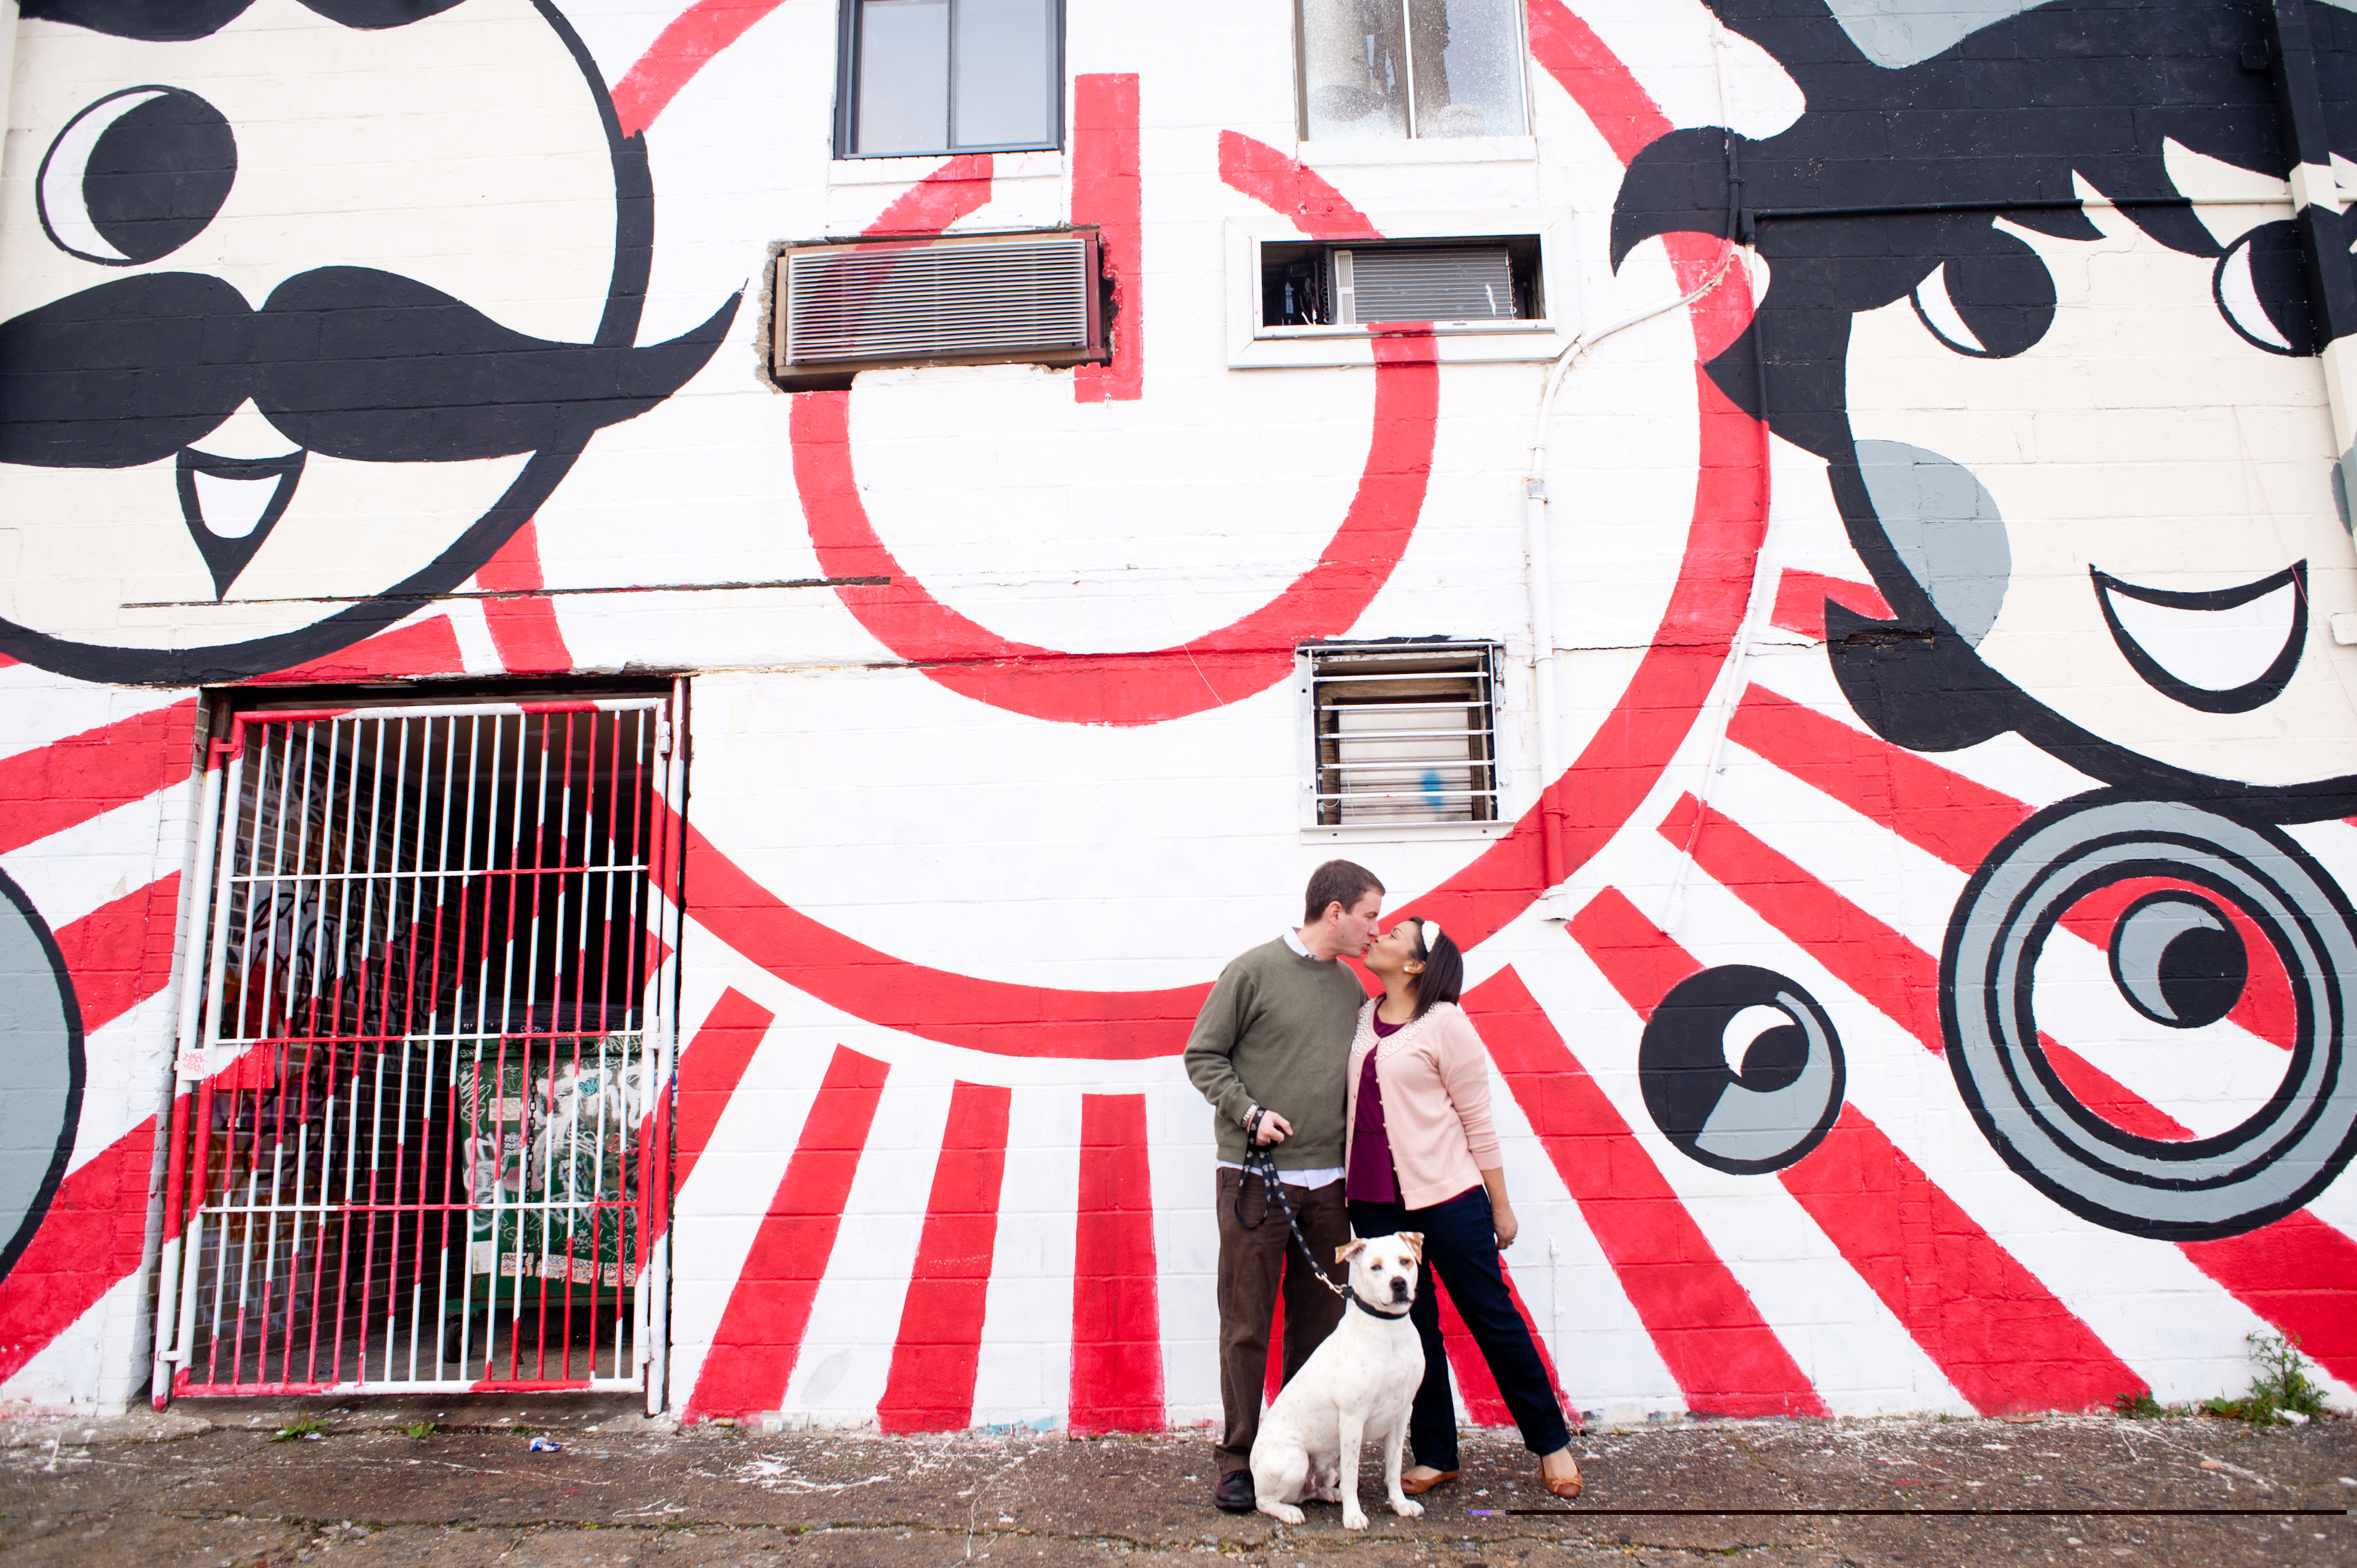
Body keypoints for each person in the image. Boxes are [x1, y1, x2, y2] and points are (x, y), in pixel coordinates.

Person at [1346, 916, 1580, 1499]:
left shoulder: (1446, 1023)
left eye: (1396, 933)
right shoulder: (1361, 1017)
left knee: (1491, 1320)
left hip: (1447, 1197)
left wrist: (1501, 1207)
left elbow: (1477, 1119)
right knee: (1410, 1329)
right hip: (1375, 1202)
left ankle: (1550, 1443)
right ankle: (1436, 1454)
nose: (1381, 935)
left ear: (1418, 965)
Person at [1185, 859, 1385, 1512]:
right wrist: (1248, 1112)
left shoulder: (1350, 988)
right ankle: (1242, 1459)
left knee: (1320, 1327)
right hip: (1253, 1180)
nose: (1373, 930)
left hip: (1330, 1189)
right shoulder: (1251, 972)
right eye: (1369, 915)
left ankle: (1298, 1456)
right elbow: (1202, 1056)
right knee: (1246, 1325)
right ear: (1335, 912)